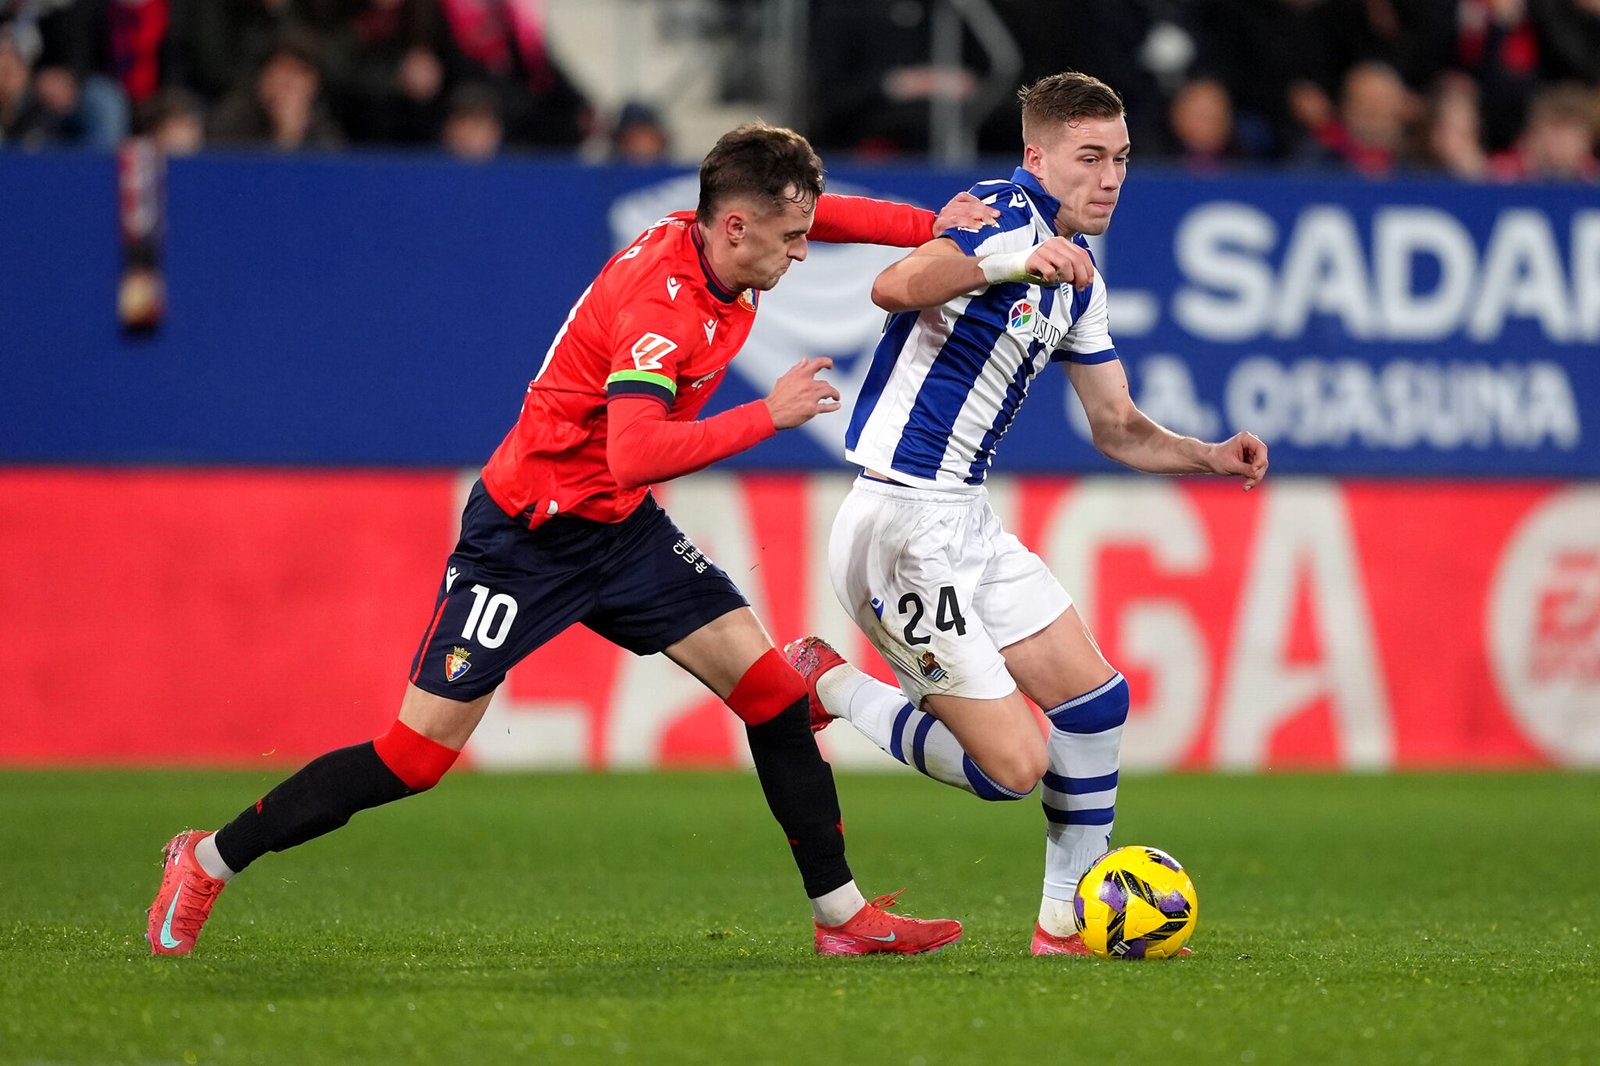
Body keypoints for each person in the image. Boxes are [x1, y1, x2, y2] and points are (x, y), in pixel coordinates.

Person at [146, 121, 998, 960]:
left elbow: (832, 215)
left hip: (621, 535)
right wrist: (764, 416)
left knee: (774, 698)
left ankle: (841, 917)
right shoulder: (659, 307)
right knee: (412, 758)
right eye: (791, 238)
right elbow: (633, 453)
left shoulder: (726, 242)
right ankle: (206, 859)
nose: (804, 254)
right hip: (524, 541)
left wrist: (935, 226)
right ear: (735, 226)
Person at [783, 71, 1269, 956]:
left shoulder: (1079, 275)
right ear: (1037, 157)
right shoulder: (1002, 213)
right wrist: (1014, 258)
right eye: (1090, 158)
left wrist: (1206, 454)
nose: (1110, 178)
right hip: (898, 529)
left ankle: (1063, 927)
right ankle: (823, 682)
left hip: (962, 518)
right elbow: (895, 285)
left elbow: (1116, 427)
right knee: (1012, 769)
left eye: (1121, 158)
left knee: (1095, 704)